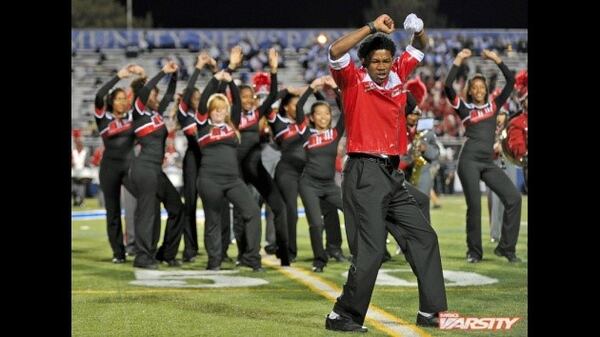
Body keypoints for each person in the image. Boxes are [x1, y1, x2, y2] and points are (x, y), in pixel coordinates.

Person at [325, 13, 447, 332]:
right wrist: (371, 28)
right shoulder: (352, 80)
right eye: (376, 60)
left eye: (386, 59)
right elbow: (336, 50)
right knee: (372, 250)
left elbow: (421, 47)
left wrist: (418, 31)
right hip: (365, 170)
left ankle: (431, 311)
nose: (382, 65)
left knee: (423, 237)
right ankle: (344, 315)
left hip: (392, 174)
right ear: (365, 62)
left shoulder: (398, 73)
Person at [445, 48, 521, 263]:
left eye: (482, 87)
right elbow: (448, 86)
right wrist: (458, 59)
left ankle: (506, 248)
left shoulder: (494, 105)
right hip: (468, 161)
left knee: (513, 198)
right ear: (470, 91)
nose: (478, 90)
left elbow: (511, 81)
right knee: (475, 207)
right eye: (475, 87)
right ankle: (474, 252)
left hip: (487, 162)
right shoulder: (464, 108)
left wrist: (497, 59)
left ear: (486, 89)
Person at [195, 64, 263, 272]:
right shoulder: (203, 126)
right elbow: (204, 100)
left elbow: (234, 99)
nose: (219, 113)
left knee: (251, 212)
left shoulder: (232, 124)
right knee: (213, 220)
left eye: (222, 109)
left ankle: (251, 257)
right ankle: (214, 261)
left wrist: (230, 78)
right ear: (210, 111)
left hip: (233, 179)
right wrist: (216, 78)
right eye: (216, 109)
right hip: (209, 179)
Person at [129, 61, 184, 269]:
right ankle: (143, 257)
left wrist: (175, 76)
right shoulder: (139, 112)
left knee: (177, 208)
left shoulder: (155, 114)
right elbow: (144, 93)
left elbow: (170, 96)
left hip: (155, 170)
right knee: (148, 213)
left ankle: (166, 253)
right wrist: (162, 71)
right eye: (153, 93)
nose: (156, 96)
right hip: (144, 168)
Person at [296, 75, 345, 272]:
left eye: (327, 113)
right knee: (316, 224)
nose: (324, 117)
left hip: (329, 185)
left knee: (352, 212)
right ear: (312, 117)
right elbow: (299, 107)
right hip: (309, 185)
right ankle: (319, 260)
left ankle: (361, 253)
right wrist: (312, 87)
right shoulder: (306, 133)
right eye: (319, 114)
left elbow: (346, 109)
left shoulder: (335, 133)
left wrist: (336, 89)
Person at [93, 64, 141, 263]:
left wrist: (141, 77)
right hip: (109, 169)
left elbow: (142, 97)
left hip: (130, 166)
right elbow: (99, 96)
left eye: (125, 99)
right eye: (119, 99)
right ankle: (118, 253)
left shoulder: (133, 117)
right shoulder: (102, 118)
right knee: (112, 211)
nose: (122, 102)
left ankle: (141, 246)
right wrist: (118, 77)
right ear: (112, 102)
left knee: (145, 203)